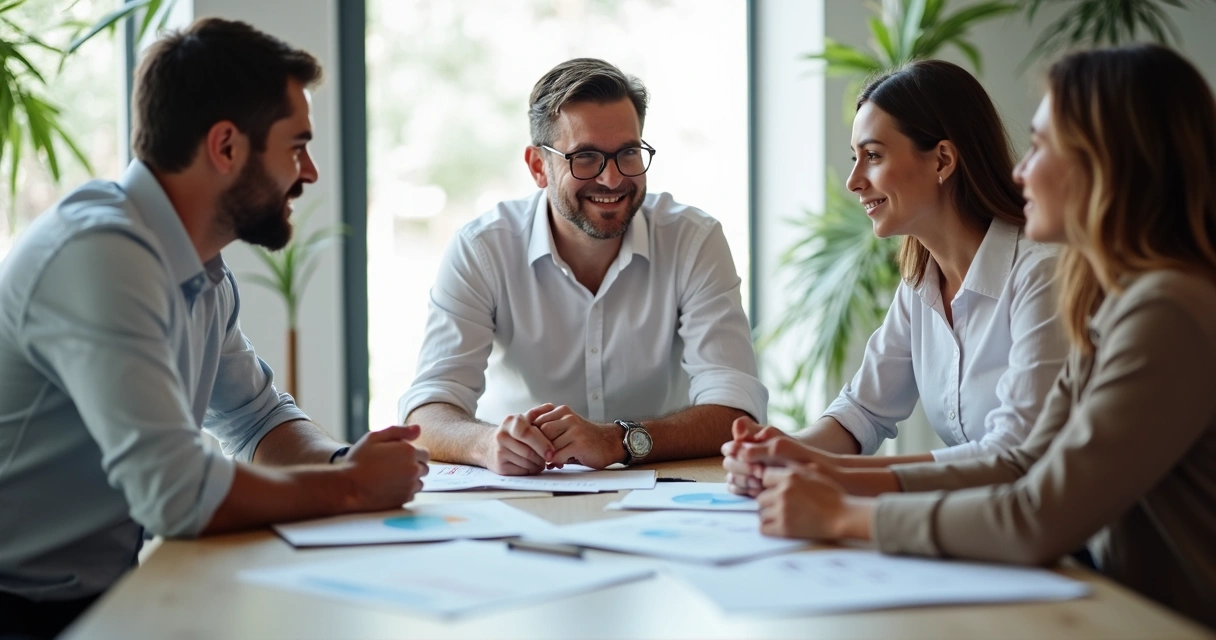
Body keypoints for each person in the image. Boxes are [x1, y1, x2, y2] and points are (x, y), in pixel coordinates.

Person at [746, 44, 1216, 628]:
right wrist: (823, 470)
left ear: (1106, 164)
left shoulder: (1164, 310)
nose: (1021, 170)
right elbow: (1022, 460)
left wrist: (843, 514)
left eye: (1042, 146)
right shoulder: (1113, 301)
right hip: (1111, 600)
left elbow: (1036, 511)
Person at [0, 19, 428, 638]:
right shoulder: (100, 255)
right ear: (226, 147)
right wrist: (353, 491)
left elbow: (256, 420)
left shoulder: (198, 268)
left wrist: (344, 463)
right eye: (296, 146)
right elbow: (176, 495)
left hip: (104, 592)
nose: (307, 172)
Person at [400, 58, 767, 475]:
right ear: (539, 166)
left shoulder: (693, 240)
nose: (612, 179)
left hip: (663, 487)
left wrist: (616, 440)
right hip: (520, 490)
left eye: (628, 153)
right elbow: (426, 413)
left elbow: (736, 412)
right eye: (586, 158)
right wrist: (485, 444)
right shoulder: (482, 249)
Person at [723, 60, 1069, 497]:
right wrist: (780, 451)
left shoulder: (1042, 274)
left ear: (942, 159)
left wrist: (827, 471)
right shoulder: (921, 282)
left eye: (873, 156)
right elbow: (863, 411)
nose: (853, 181)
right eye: (856, 158)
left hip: (1058, 542)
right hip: (973, 529)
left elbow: (1015, 452)